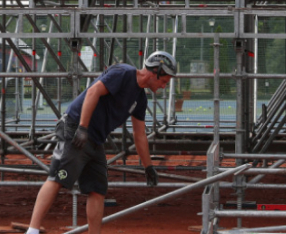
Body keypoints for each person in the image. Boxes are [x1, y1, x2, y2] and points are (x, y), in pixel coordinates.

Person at [22, 52, 177, 234]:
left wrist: (148, 166)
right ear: (156, 71)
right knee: (58, 176)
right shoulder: (123, 73)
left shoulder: (140, 99)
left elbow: (139, 134)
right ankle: (32, 231)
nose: (164, 86)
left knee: (98, 190)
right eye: (164, 81)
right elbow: (93, 91)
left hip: (95, 139)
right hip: (75, 127)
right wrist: (82, 128)